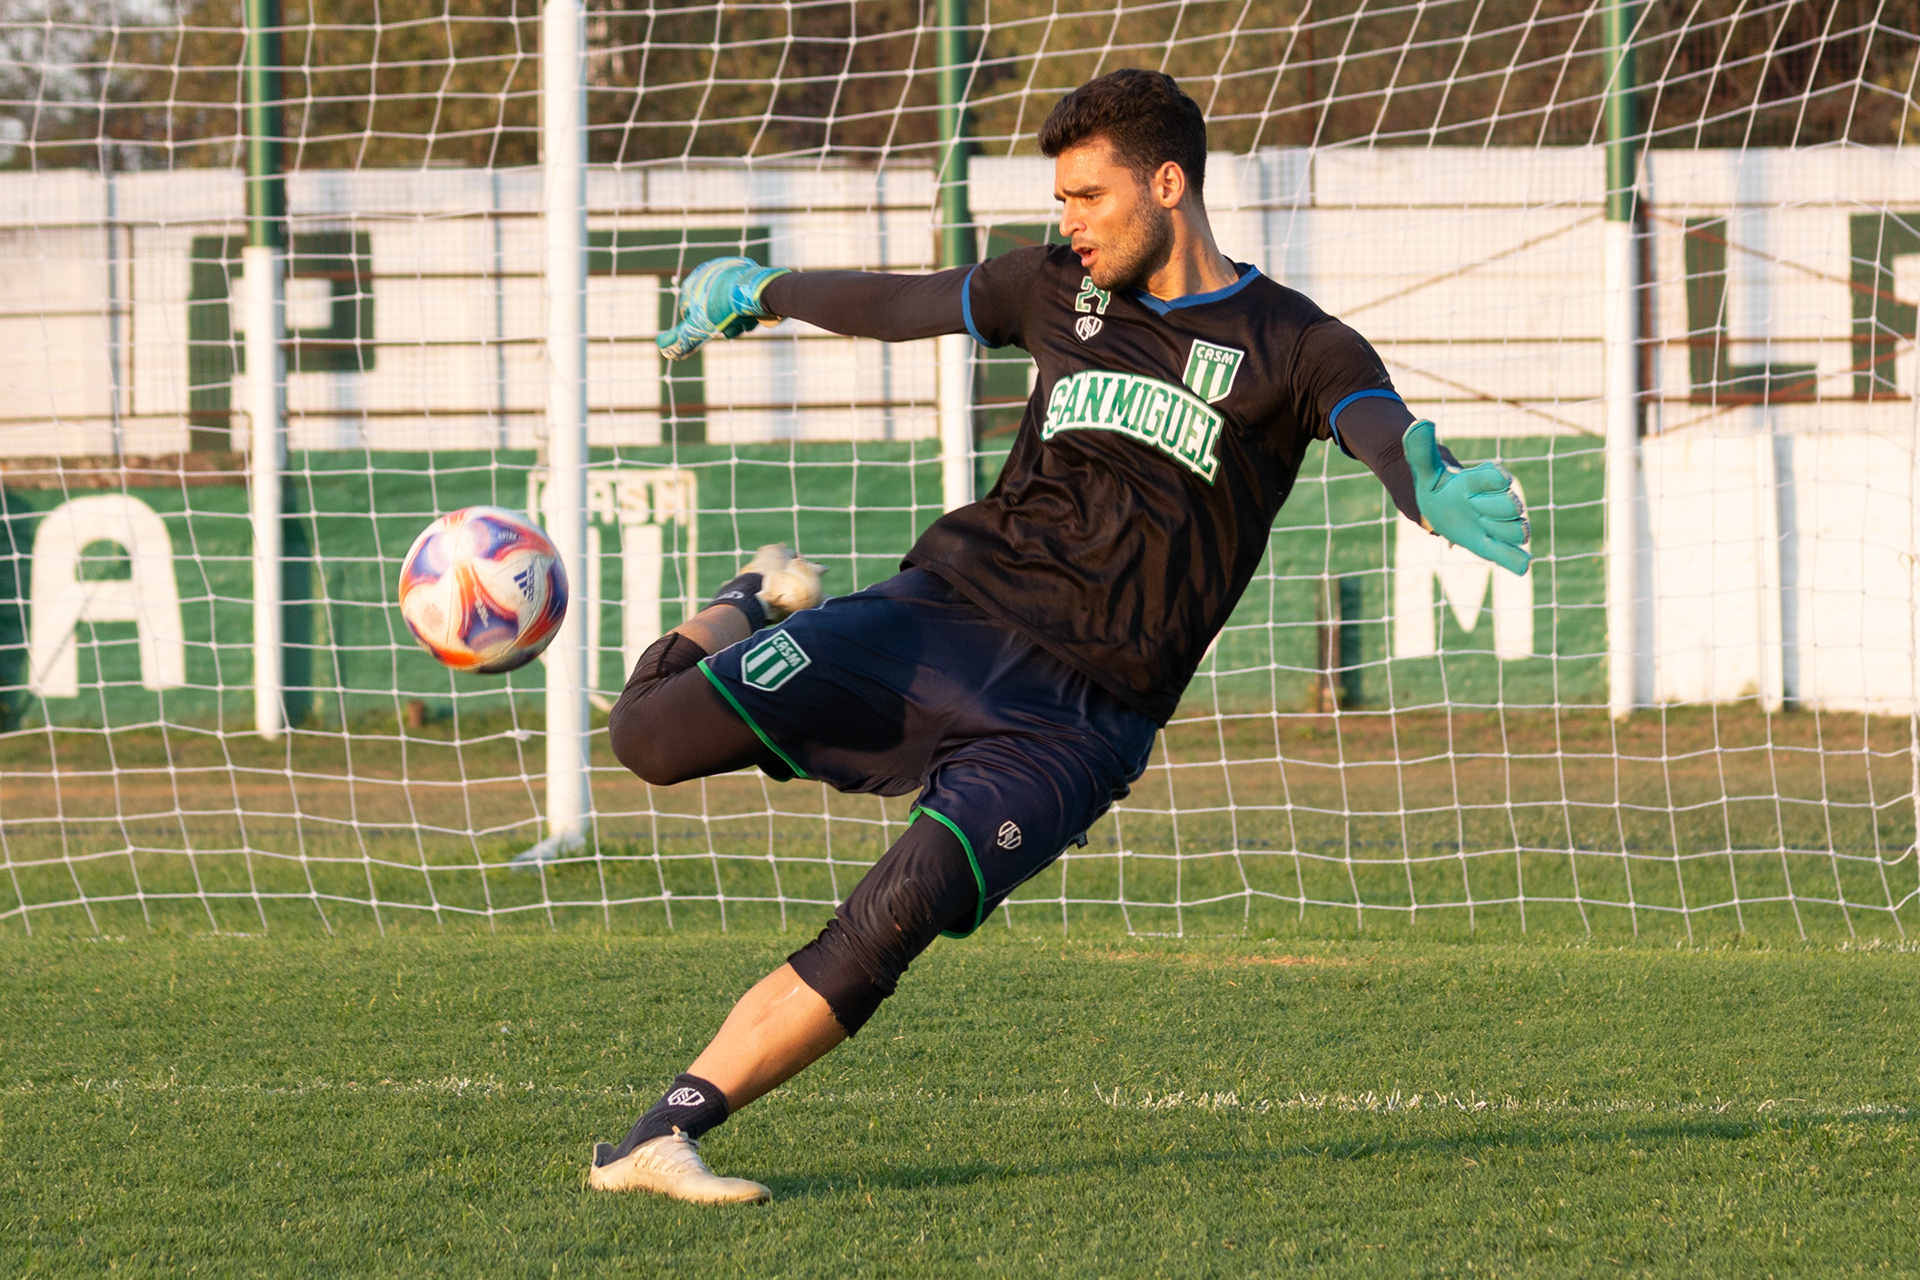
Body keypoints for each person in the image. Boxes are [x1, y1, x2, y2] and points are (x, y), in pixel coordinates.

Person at [588, 69, 1530, 1204]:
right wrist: (764, 289)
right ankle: (753, 595)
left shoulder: (1295, 342)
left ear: (1168, 184)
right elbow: (907, 301)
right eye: (1063, 199)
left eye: (1088, 195)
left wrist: (1421, 477)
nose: (1068, 221)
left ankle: (661, 1133)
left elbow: (1369, 417)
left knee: (905, 905)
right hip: (943, 618)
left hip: (1079, 719)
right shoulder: (1053, 290)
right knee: (647, 736)